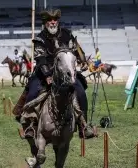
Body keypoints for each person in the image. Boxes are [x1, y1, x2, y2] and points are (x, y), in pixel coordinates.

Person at [14, 7, 89, 138]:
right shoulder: (40, 39)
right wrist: (48, 75)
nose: (53, 22)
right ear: (45, 22)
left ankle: (83, 125)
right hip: (44, 73)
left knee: (81, 92)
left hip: (66, 73)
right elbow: (40, 59)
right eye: (49, 20)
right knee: (32, 92)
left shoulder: (67, 34)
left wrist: (82, 59)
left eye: (55, 19)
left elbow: (75, 50)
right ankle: (31, 125)